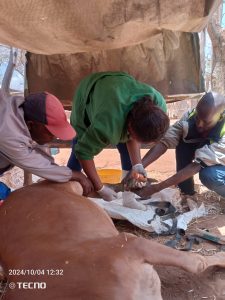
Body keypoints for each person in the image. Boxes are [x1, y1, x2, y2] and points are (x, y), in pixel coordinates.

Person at [67, 71, 169, 201]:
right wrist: (100, 188)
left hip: (119, 86)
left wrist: (137, 165)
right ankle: (66, 194)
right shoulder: (107, 123)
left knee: (128, 153)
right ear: (129, 127)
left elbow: (133, 137)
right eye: (133, 136)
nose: (132, 140)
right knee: (78, 152)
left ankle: (128, 195)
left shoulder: (158, 105)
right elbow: (83, 152)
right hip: (88, 93)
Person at [0, 91, 93, 195]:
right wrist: (75, 175)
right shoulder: (8, 133)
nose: (54, 137)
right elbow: (37, 165)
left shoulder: (20, 111)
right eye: (50, 132)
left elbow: (42, 157)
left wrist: (62, 172)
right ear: (31, 125)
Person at [136, 91, 225, 199]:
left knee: (209, 175)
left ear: (220, 117)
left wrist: (156, 188)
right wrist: (139, 167)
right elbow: (165, 142)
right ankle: (186, 191)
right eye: (197, 118)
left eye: (205, 122)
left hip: (221, 165)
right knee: (183, 141)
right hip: (210, 151)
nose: (199, 125)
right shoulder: (190, 116)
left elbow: (197, 165)